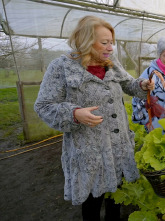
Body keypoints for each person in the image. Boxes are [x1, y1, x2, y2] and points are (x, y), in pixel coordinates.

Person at [34, 15, 154, 220]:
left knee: (116, 202)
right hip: (90, 153)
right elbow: (43, 106)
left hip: (117, 148)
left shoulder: (111, 63)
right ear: (86, 41)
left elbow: (129, 84)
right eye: (104, 42)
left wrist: (141, 85)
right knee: (92, 205)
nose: (110, 48)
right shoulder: (61, 67)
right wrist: (74, 114)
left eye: (112, 43)